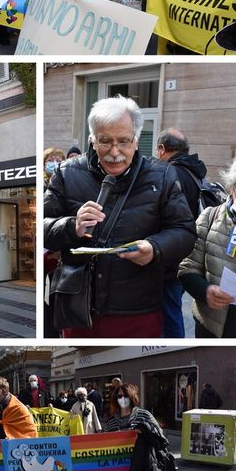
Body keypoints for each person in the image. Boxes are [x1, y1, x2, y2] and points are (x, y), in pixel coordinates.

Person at [44, 96, 197, 337]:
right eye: (105, 141)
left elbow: (185, 231)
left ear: (136, 140)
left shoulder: (162, 175)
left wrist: (155, 248)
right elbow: (42, 228)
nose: (114, 152)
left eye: (123, 141)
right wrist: (72, 226)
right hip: (79, 306)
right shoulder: (67, 173)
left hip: (139, 308)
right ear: (93, 140)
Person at [179, 152, 236, 338]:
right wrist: (205, 291)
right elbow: (187, 267)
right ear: (232, 187)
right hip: (213, 325)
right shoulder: (210, 217)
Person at [153, 128, 209, 337]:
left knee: (169, 311)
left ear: (161, 148)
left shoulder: (170, 173)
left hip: (171, 256)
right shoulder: (195, 172)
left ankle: (171, 347)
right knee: (172, 305)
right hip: (191, 253)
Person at [105, 382, 167, 471]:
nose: (122, 399)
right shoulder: (111, 422)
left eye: (126, 396)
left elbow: (159, 435)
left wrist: (144, 431)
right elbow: (105, 446)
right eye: (119, 396)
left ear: (132, 397)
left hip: (141, 469)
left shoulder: (144, 415)